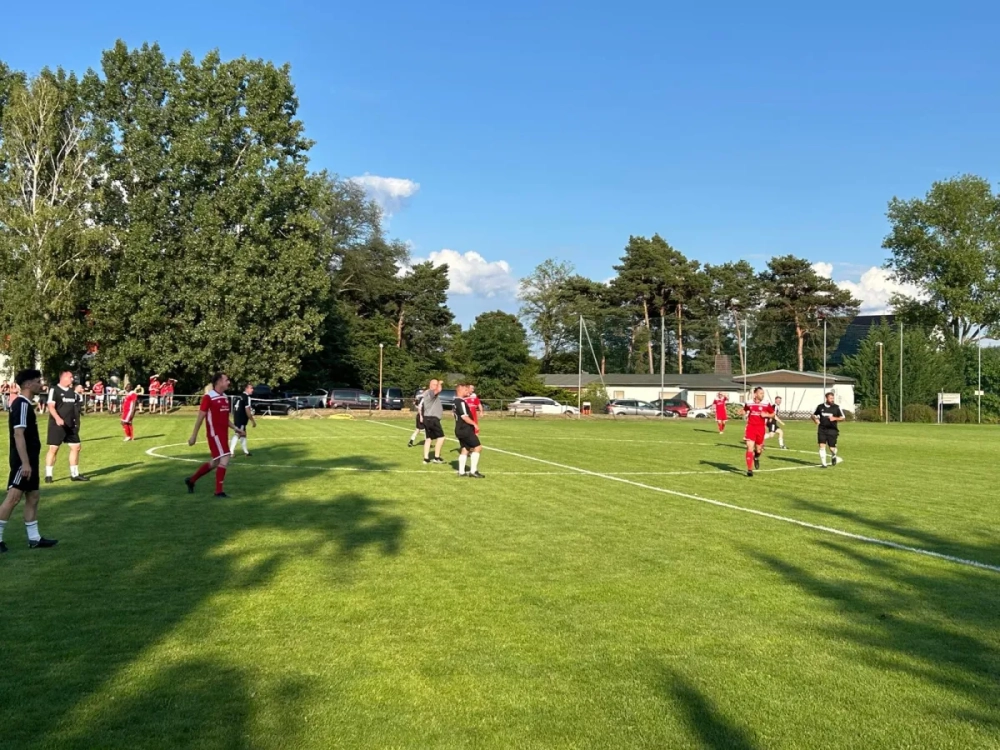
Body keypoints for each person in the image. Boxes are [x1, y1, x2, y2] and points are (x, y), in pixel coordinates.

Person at [1, 369, 58, 552]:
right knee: (13, 498)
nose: (40, 384)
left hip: (30, 460)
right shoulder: (21, 404)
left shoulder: (26, 404)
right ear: (27, 384)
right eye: (37, 381)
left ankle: (34, 539)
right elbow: (18, 435)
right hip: (22, 461)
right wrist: (25, 463)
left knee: (33, 496)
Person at [184, 372, 244, 497]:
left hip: (223, 434)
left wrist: (236, 428)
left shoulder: (225, 397)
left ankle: (191, 480)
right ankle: (218, 491)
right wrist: (194, 435)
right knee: (226, 457)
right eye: (226, 380)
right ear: (219, 382)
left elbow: (225, 419)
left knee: (215, 462)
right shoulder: (208, 397)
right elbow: (200, 418)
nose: (228, 382)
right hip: (214, 434)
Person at [45, 371, 89, 483]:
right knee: (54, 449)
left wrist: (76, 423)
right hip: (57, 425)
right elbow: (51, 406)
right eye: (70, 377)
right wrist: (57, 418)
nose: (72, 379)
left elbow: (76, 408)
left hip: (71, 425)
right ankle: (48, 475)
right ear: (63, 377)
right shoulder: (54, 390)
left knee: (76, 447)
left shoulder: (72, 393)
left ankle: (74, 474)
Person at [739, 387, 775, 477]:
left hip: (761, 428)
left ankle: (756, 457)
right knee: (749, 447)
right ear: (755, 394)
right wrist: (742, 412)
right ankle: (749, 470)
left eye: (763, 393)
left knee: (758, 449)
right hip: (750, 427)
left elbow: (773, 414)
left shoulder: (766, 403)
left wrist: (767, 414)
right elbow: (745, 410)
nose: (763, 395)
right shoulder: (749, 402)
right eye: (761, 393)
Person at [454, 383, 484, 478]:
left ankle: (461, 472)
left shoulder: (455, 401)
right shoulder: (461, 402)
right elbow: (464, 416)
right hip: (465, 429)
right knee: (478, 447)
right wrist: (474, 424)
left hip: (459, 429)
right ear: (460, 390)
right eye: (466, 390)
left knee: (465, 449)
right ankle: (473, 471)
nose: (468, 392)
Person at [812, 391, 845, 468]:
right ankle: (824, 464)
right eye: (830, 398)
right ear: (826, 398)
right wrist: (815, 420)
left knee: (832, 448)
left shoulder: (836, 407)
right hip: (822, 429)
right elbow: (813, 415)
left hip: (832, 430)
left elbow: (843, 418)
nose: (832, 400)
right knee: (821, 446)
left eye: (833, 398)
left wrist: (835, 418)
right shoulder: (820, 407)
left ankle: (833, 455)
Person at [418, 379, 445, 464]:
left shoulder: (428, 393)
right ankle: (436, 458)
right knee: (441, 438)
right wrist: (440, 383)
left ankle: (426, 459)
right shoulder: (430, 392)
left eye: (437, 384)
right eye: (434, 384)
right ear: (430, 385)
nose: (436, 386)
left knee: (428, 439)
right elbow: (439, 390)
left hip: (427, 418)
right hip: (432, 419)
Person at [229, 383, 257, 456]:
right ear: (246, 389)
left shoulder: (239, 396)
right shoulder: (247, 397)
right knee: (238, 433)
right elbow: (247, 410)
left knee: (243, 434)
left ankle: (246, 452)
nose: (252, 390)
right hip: (241, 419)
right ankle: (231, 451)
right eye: (251, 388)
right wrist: (253, 421)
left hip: (237, 417)